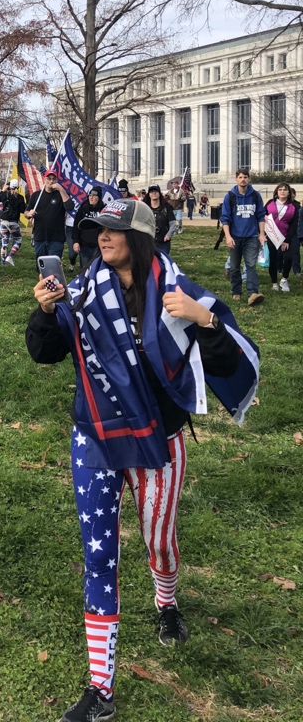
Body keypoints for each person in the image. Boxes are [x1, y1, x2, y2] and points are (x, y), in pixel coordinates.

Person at [26, 198, 259, 722]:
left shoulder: (176, 290)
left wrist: (206, 321)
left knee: (159, 540)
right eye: (95, 231)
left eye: (112, 230)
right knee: (98, 557)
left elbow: (228, 360)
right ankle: (101, 690)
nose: (99, 238)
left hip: (159, 439)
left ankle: (167, 601)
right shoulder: (82, 292)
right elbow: (44, 353)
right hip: (96, 436)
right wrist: (44, 313)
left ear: (140, 237)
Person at [220, 170, 267, 306]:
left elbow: (260, 215)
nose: (243, 180)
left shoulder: (255, 196)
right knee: (234, 267)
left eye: (245, 177)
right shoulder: (230, 197)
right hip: (235, 237)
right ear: (236, 179)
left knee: (250, 265)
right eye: (240, 177)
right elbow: (225, 218)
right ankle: (236, 291)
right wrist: (228, 236)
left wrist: (262, 234)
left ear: (249, 179)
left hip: (251, 237)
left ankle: (253, 293)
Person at [25, 171, 70, 270]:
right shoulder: (36, 195)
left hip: (56, 238)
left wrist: (61, 189)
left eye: (54, 179)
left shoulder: (60, 195)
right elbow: (26, 213)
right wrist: (29, 214)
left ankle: (52, 284)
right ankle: (44, 284)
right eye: (49, 179)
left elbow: (69, 206)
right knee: (41, 267)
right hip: (40, 236)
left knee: (52, 266)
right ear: (45, 180)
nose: (51, 181)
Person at [265, 183, 299, 292]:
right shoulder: (270, 203)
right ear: (276, 192)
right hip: (272, 235)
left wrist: (287, 240)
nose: (282, 191)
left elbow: (294, 224)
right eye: (280, 189)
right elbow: (262, 216)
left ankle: (284, 279)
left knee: (288, 258)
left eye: (285, 189)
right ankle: (274, 283)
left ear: (289, 192)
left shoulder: (294, 206)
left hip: (286, 236)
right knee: (273, 259)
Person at [71, 187, 103, 268]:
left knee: (95, 268)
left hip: (97, 245)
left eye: (94, 196)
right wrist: (75, 241)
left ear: (98, 198)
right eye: (90, 195)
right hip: (84, 244)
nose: (91, 197)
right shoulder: (83, 208)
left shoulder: (103, 209)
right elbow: (76, 225)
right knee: (85, 268)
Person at [0, 180, 26, 267]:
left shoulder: (5, 195)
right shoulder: (20, 197)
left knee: (4, 240)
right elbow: (23, 209)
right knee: (18, 240)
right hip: (14, 222)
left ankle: (2, 261)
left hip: (4, 221)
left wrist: (3, 190)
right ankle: (10, 256)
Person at [143, 184, 177, 253]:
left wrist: (168, 235)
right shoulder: (145, 208)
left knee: (162, 262)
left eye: (156, 191)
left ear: (159, 193)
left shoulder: (167, 208)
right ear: (149, 194)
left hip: (163, 241)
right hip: (149, 241)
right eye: (151, 192)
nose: (154, 193)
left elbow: (173, 223)